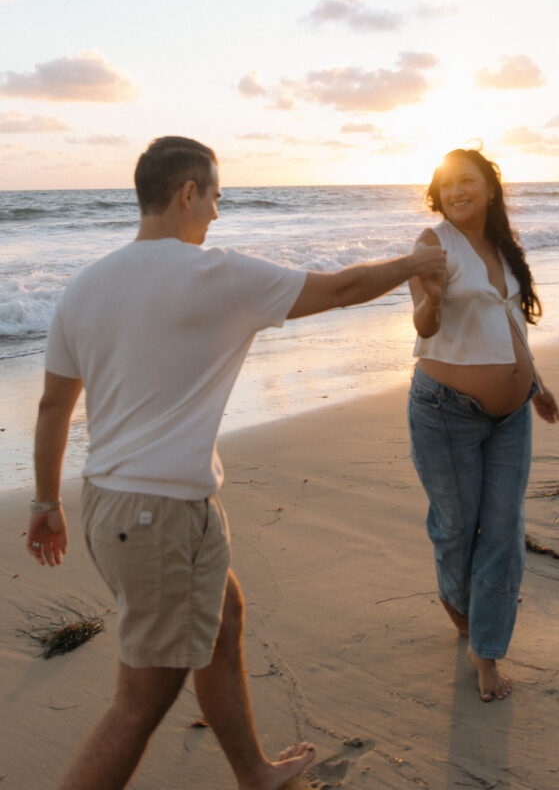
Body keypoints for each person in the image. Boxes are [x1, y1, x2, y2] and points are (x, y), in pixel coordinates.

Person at [26, 135, 446, 790]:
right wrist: (417, 260)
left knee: (224, 619)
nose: (217, 215)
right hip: (154, 515)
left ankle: (253, 773)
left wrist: (45, 502)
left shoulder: (85, 285)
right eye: (215, 197)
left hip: (124, 505)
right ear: (187, 192)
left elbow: (54, 404)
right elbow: (344, 288)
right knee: (140, 703)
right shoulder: (215, 275)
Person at [407, 148, 559, 703]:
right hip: (445, 412)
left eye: (466, 181)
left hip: (513, 415)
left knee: (503, 530)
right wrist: (433, 301)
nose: (456, 192)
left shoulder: (502, 247)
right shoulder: (432, 245)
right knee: (455, 526)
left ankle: (486, 651)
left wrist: (537, 385)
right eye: (447, 185)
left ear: (489, 188)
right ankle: (458, 599)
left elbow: (512, 321)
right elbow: (422, 324)